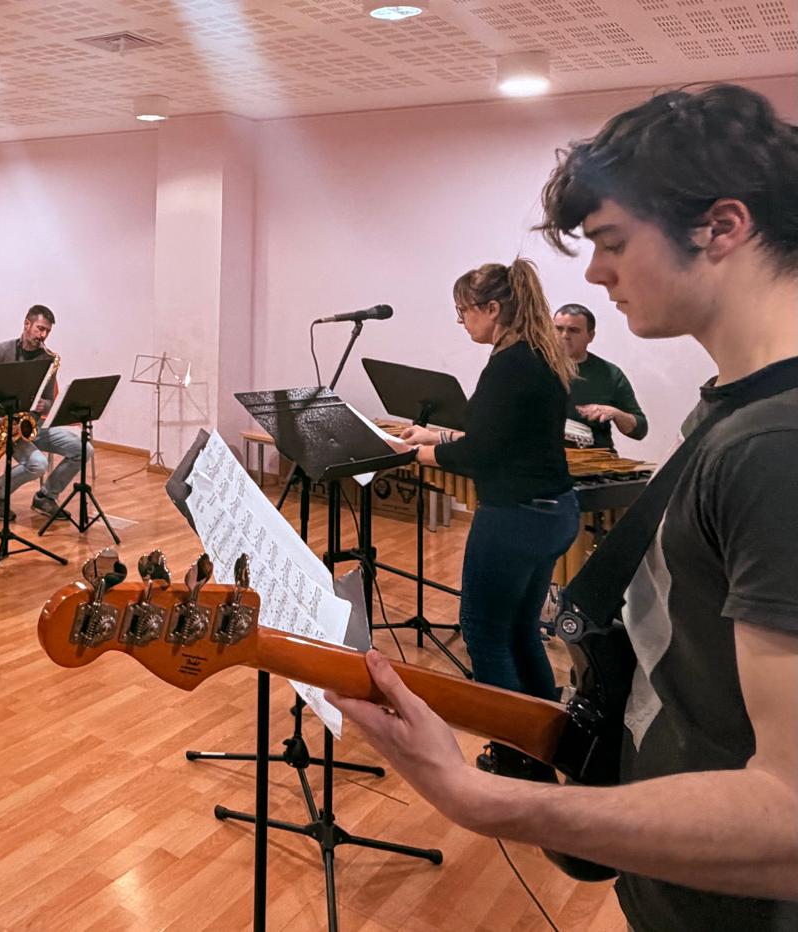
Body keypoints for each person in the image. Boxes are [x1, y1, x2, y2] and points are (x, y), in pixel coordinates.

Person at [331, 84, 798, 931]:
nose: (593, 274)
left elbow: (789, 816)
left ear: (722, 227)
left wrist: (481, 798)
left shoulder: (774, 443)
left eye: (613, 241)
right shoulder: (735, 412)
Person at [394, 259, 578, 728]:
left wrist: (412, 454)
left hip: (515, 518)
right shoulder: (539, 355)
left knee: (484, 633)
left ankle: (514, 747)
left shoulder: (509, 365)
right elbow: (503, 438)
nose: (462, 322)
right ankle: (547, 738)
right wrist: (434, 437)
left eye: (464, 311)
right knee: (521, 630)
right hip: (553, 511)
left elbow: (480, 455)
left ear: (492, 308)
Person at [0, 305, 90, 521]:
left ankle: (46, 497)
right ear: (27, 324)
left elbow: (49, 401)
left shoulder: (48, 359)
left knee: (84, 449)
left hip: (33, 426)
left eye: (47, 331)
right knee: (38, 464)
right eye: (40, 328)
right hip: (4, 426)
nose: (43, 335)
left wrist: (44, 405)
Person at [553, 302, 649, 449]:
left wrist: (615, 413)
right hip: (542, 457)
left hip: (593, 458)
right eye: (558, 329)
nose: (564, 336)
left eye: (573, 330)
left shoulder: (610, 374)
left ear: (590, 336)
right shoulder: (533, 365)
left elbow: (640, 430)